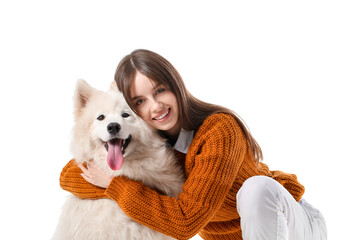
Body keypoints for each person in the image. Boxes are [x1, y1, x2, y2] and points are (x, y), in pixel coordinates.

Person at [60, 49, 327, 240]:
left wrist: (115, 186)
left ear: (176, 85)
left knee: (255, 189)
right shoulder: (154, 144)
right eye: (140, 101)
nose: (155, 106)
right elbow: (70, 174)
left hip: (294, 225)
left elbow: (186, 222)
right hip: (236, 237)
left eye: (160, 90)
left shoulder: (219, 131)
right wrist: (108, 176)